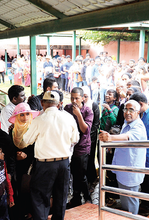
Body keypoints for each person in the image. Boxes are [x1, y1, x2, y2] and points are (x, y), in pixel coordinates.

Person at [23, 91, 79, 220]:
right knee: (61, 196)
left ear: (42, 103)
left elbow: (27, 140)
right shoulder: (68, 118)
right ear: (59, 104)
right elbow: (75, 139)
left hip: (45, 164)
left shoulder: (39, 120)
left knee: (40, 197)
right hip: (64, 163)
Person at [98, 100, 147, 215]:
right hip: (123, 169)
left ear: (138, 112)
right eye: (126, 109)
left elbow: (127, 137)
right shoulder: (127, 122)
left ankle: (132, 217)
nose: (128, 112)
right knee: (125, 199)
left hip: (131, 171)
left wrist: (110, 138)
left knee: (131, 200)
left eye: (131, 110)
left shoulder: (138, 126)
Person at [64, 87, 94, 207]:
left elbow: (86, 130)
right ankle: (76, 199)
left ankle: (87, 197)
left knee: (81, 175)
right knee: (72, 173)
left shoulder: (88, 111)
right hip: (69, 147)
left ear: (83, 98)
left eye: (77, 98)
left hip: (82, 147)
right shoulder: (67, 108)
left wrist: (79, 115)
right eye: (72, 98)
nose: (74, 101)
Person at [82, 86, 101, 191]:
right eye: (82, 96)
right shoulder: (78, 106)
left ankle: (92, 180)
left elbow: (96, 123)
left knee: (90, 159)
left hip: (91, 138)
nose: (84, 99)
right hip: (81, 138)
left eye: (86, 96)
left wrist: (89, 135)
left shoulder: (93, 105)